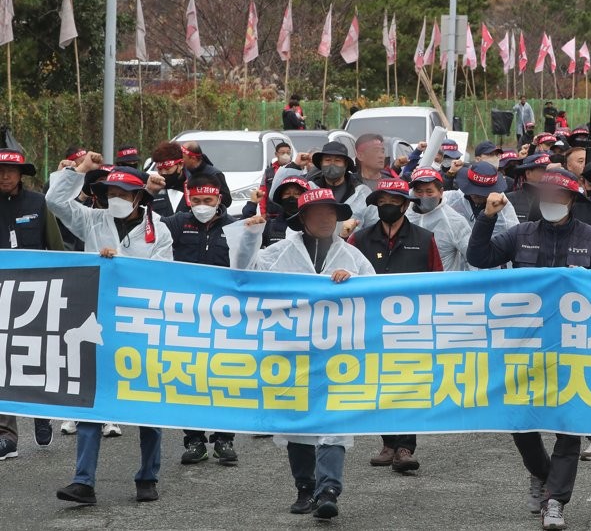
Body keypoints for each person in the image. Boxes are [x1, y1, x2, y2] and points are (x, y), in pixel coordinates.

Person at [468, 169, 591, 530]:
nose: (550, 201)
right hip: (524, 345)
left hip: (573, 348)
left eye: (559, 196)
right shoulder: (520, 234)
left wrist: (586, 286)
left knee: (569, 425)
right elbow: (479, 257)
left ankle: (555, 502)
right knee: (520, 421)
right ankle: (542, 474)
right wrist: (487, 216)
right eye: (544, 194)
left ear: (572, 201)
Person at [47, 155, 173, 505]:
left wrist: (121, 264)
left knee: (148, 406)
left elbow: (165, 275)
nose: (115, 196)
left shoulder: (159, 229)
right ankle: (83, 481)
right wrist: (79, 170)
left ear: (138, 198)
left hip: (141, 325)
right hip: (98, 323)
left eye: (123, 191)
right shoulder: (91, 219)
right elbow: (54, 201)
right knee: (94, 401)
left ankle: (148, 477)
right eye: (111, 190)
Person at [254, 187, 373, 519]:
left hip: (336, 354)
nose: (326, 218)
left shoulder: (352, 257)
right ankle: (305, 487)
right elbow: (248, 277)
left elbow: (376, 292)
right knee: (298, 422)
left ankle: (328, 490)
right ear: (303, 218)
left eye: (332, 213)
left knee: (333, 420)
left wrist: (353, 284)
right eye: (319, 213)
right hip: (292, 352)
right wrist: (249, 235)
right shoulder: (277, 253)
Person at [163, 176, 263, 467]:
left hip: (225, 315)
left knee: (225, 375)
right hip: (185, 313)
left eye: (208, 201)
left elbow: (251, 266)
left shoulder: (235, 227)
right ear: (188, 199)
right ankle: (194, 440)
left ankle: (224, 439)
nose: (202, 206)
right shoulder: (175, 224)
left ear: (219, 200)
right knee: (188, 376)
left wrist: (254, 234)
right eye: (196, 201)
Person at [349, 178, 443, 473]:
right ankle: (388, 443)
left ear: (405, 204)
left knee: (408, 382)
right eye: (382, 201)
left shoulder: (425, 238)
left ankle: (405, 447)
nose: (386, 206)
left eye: (393, 201)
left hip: (413, 325)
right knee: (378, 381)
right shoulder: (360, 239)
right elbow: (346, 271)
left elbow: (438, 280)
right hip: (371, 323)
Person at [0, 149, 63, 460]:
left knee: (37, 356)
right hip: (1, 295)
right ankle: (6, 434)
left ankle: (41, 412)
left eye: (11, 171)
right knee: (3, 361)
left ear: (22, 173)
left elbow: (56, 247)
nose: (5, 176)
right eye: (0, 170)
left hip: (37, 294)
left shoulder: (38, 203)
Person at [406, 167, 471, 271]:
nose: (424, 196)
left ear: (441, 192)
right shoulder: (405, 215)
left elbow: (472, 258)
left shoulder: (454, 221)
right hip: (410, 283)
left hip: (443, 284)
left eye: (429, 191)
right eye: (419, 191)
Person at [180, 141, 232, 210]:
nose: (181, 160)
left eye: (183, 157)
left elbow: (227, 200)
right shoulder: (184, 171)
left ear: (193, 158)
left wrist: (208, 200)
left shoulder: (214, 174)